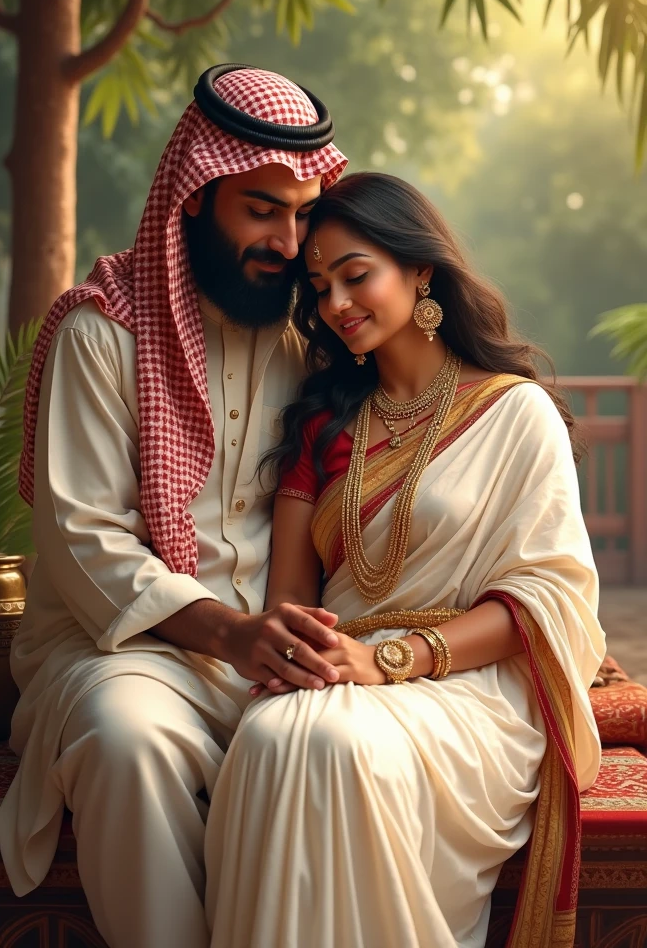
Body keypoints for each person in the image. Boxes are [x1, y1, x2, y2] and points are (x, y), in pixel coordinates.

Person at [203, 173, 607, 948]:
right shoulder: (321, 425)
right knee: (269, 738)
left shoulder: (513, 412)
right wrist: (307, 654)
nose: (336, 305)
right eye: (318, 288)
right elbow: (291, 600)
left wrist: (389, 657)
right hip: (338, 673)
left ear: (421, 269)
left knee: (335, 745)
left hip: (471, 684)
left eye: (356, 276)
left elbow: (548, 594)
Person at [0, 64, 349, 948]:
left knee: (352, 755)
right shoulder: (102, 330)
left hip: (279, 650)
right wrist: (230, 634)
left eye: (304, 214)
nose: (287, 239)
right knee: (128, 742)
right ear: (195, 196)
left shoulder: (320, 335)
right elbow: (82, 541)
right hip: (124, 649)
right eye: (261, 210)